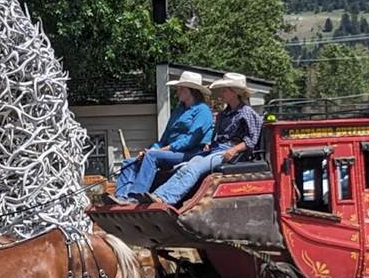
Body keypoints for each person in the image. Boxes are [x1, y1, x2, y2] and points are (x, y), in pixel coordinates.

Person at [151, 72, 262, 206]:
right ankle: (158, 195)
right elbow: (216, 135)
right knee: (186, 166)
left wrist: (234, 150)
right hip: (217, 149)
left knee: (195, 168)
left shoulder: (247, 112)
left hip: (232, 152)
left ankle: (166, 199)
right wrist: (209, 144)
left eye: (225, 90)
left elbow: (252, 140)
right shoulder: (224, 114)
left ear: (234, 92)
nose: (221, 93)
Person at [110, 71, 214, 203]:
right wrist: (152, 149)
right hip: (169, 151)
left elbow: (191, 140)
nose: (178, 92)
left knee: (152, 156)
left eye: (181, 89)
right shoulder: (178, 111)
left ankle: (135, 196)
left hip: (189, 153)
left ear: (192, 91)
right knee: (129, 162)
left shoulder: (203, 110)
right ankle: (121, 197)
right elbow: (165, 138)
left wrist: (162, 150)